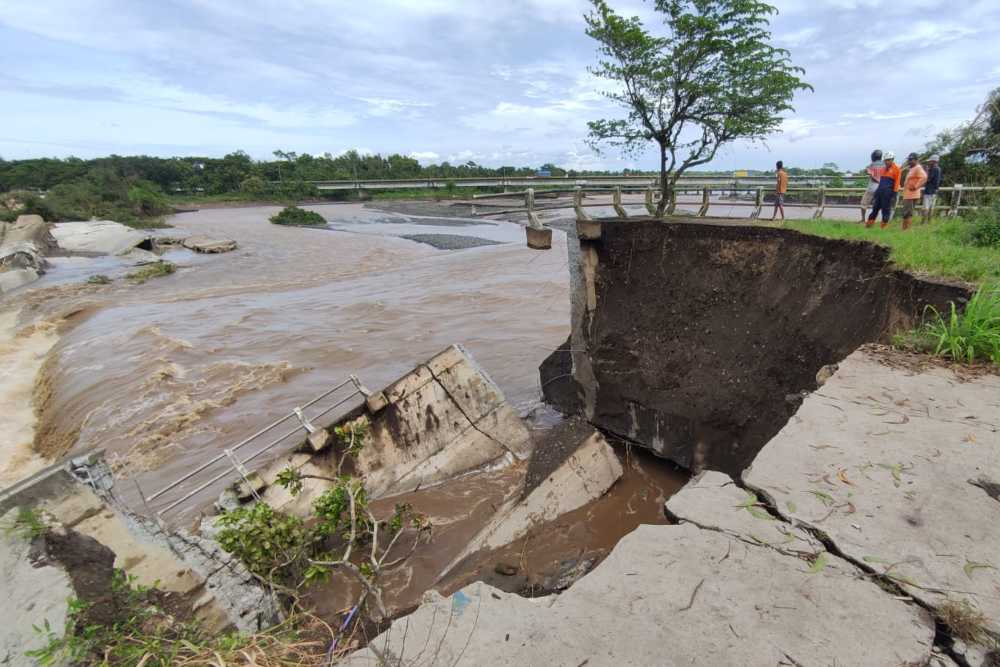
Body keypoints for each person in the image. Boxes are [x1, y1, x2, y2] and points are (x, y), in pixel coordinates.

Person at [866, 151, 901, 229]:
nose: (886, 162)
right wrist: (876, 193)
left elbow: (897, 182)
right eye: (885, 160)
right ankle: (868, 225)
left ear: (892, 160)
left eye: (888, 160)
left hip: (888, 193)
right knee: (875, 209)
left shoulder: (896, 169)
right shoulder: (883, 169)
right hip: (880, 191)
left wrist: (894, 194)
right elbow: (881, 182)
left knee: (885, 210)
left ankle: (883, 227)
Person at [899, 152, 927, 230]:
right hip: (908, 194)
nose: (909, 161)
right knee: (907, 213)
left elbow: (924, 177)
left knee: (907, 213)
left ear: (916, 160)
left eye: (911, 160)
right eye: (909, 160)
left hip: (911, 195)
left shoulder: (918, 168)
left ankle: (905, 230)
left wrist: (916, 186)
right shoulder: (912, 168)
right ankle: (904, 229)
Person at [862, 149, 884, 220]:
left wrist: (877, 180)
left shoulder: (871, 165)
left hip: (872, 187)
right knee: (879, 204)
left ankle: (863, 219)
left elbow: (867, 171)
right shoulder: (885, 165)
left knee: (864, 203)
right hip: (882, 187)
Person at [922, 154, 942, 224]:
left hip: (929, 191)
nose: (929, 163)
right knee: (931, 207)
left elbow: (928, 179)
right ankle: (929, 222)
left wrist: (926, 171)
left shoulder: (934, 169)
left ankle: (924, 222)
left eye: (930, 161)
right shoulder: (939, 169)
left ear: (934, 161)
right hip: (934, 191)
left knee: (926, 207)